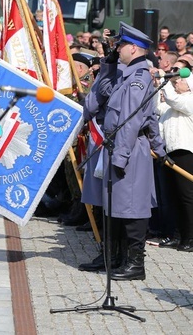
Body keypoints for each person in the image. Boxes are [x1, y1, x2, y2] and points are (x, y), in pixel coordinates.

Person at [90, 22, 166, 281]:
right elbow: (102, 92)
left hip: (129, 148)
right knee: (116, 204)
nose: (118, 48)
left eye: (121, 46)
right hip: (119, 146)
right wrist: (109, 64)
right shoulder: (126, 75)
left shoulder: (138, 79)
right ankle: (118, 259)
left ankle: (135, 265)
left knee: (131, 206)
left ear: (134, 48)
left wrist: (122, 155)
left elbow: (131, 120)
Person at [157, 57, 193, 251]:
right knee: (173, 197)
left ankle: (190, 237)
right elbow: (159, 107)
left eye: (181, 80)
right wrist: (158, 85)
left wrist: (166, 78)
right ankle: (179, 235)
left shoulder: (189, 100)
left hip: (185, 153)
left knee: (187, 197)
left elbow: (171, 99)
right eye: (176, 79)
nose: (177, 81)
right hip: (169, 152)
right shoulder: (174, 105)